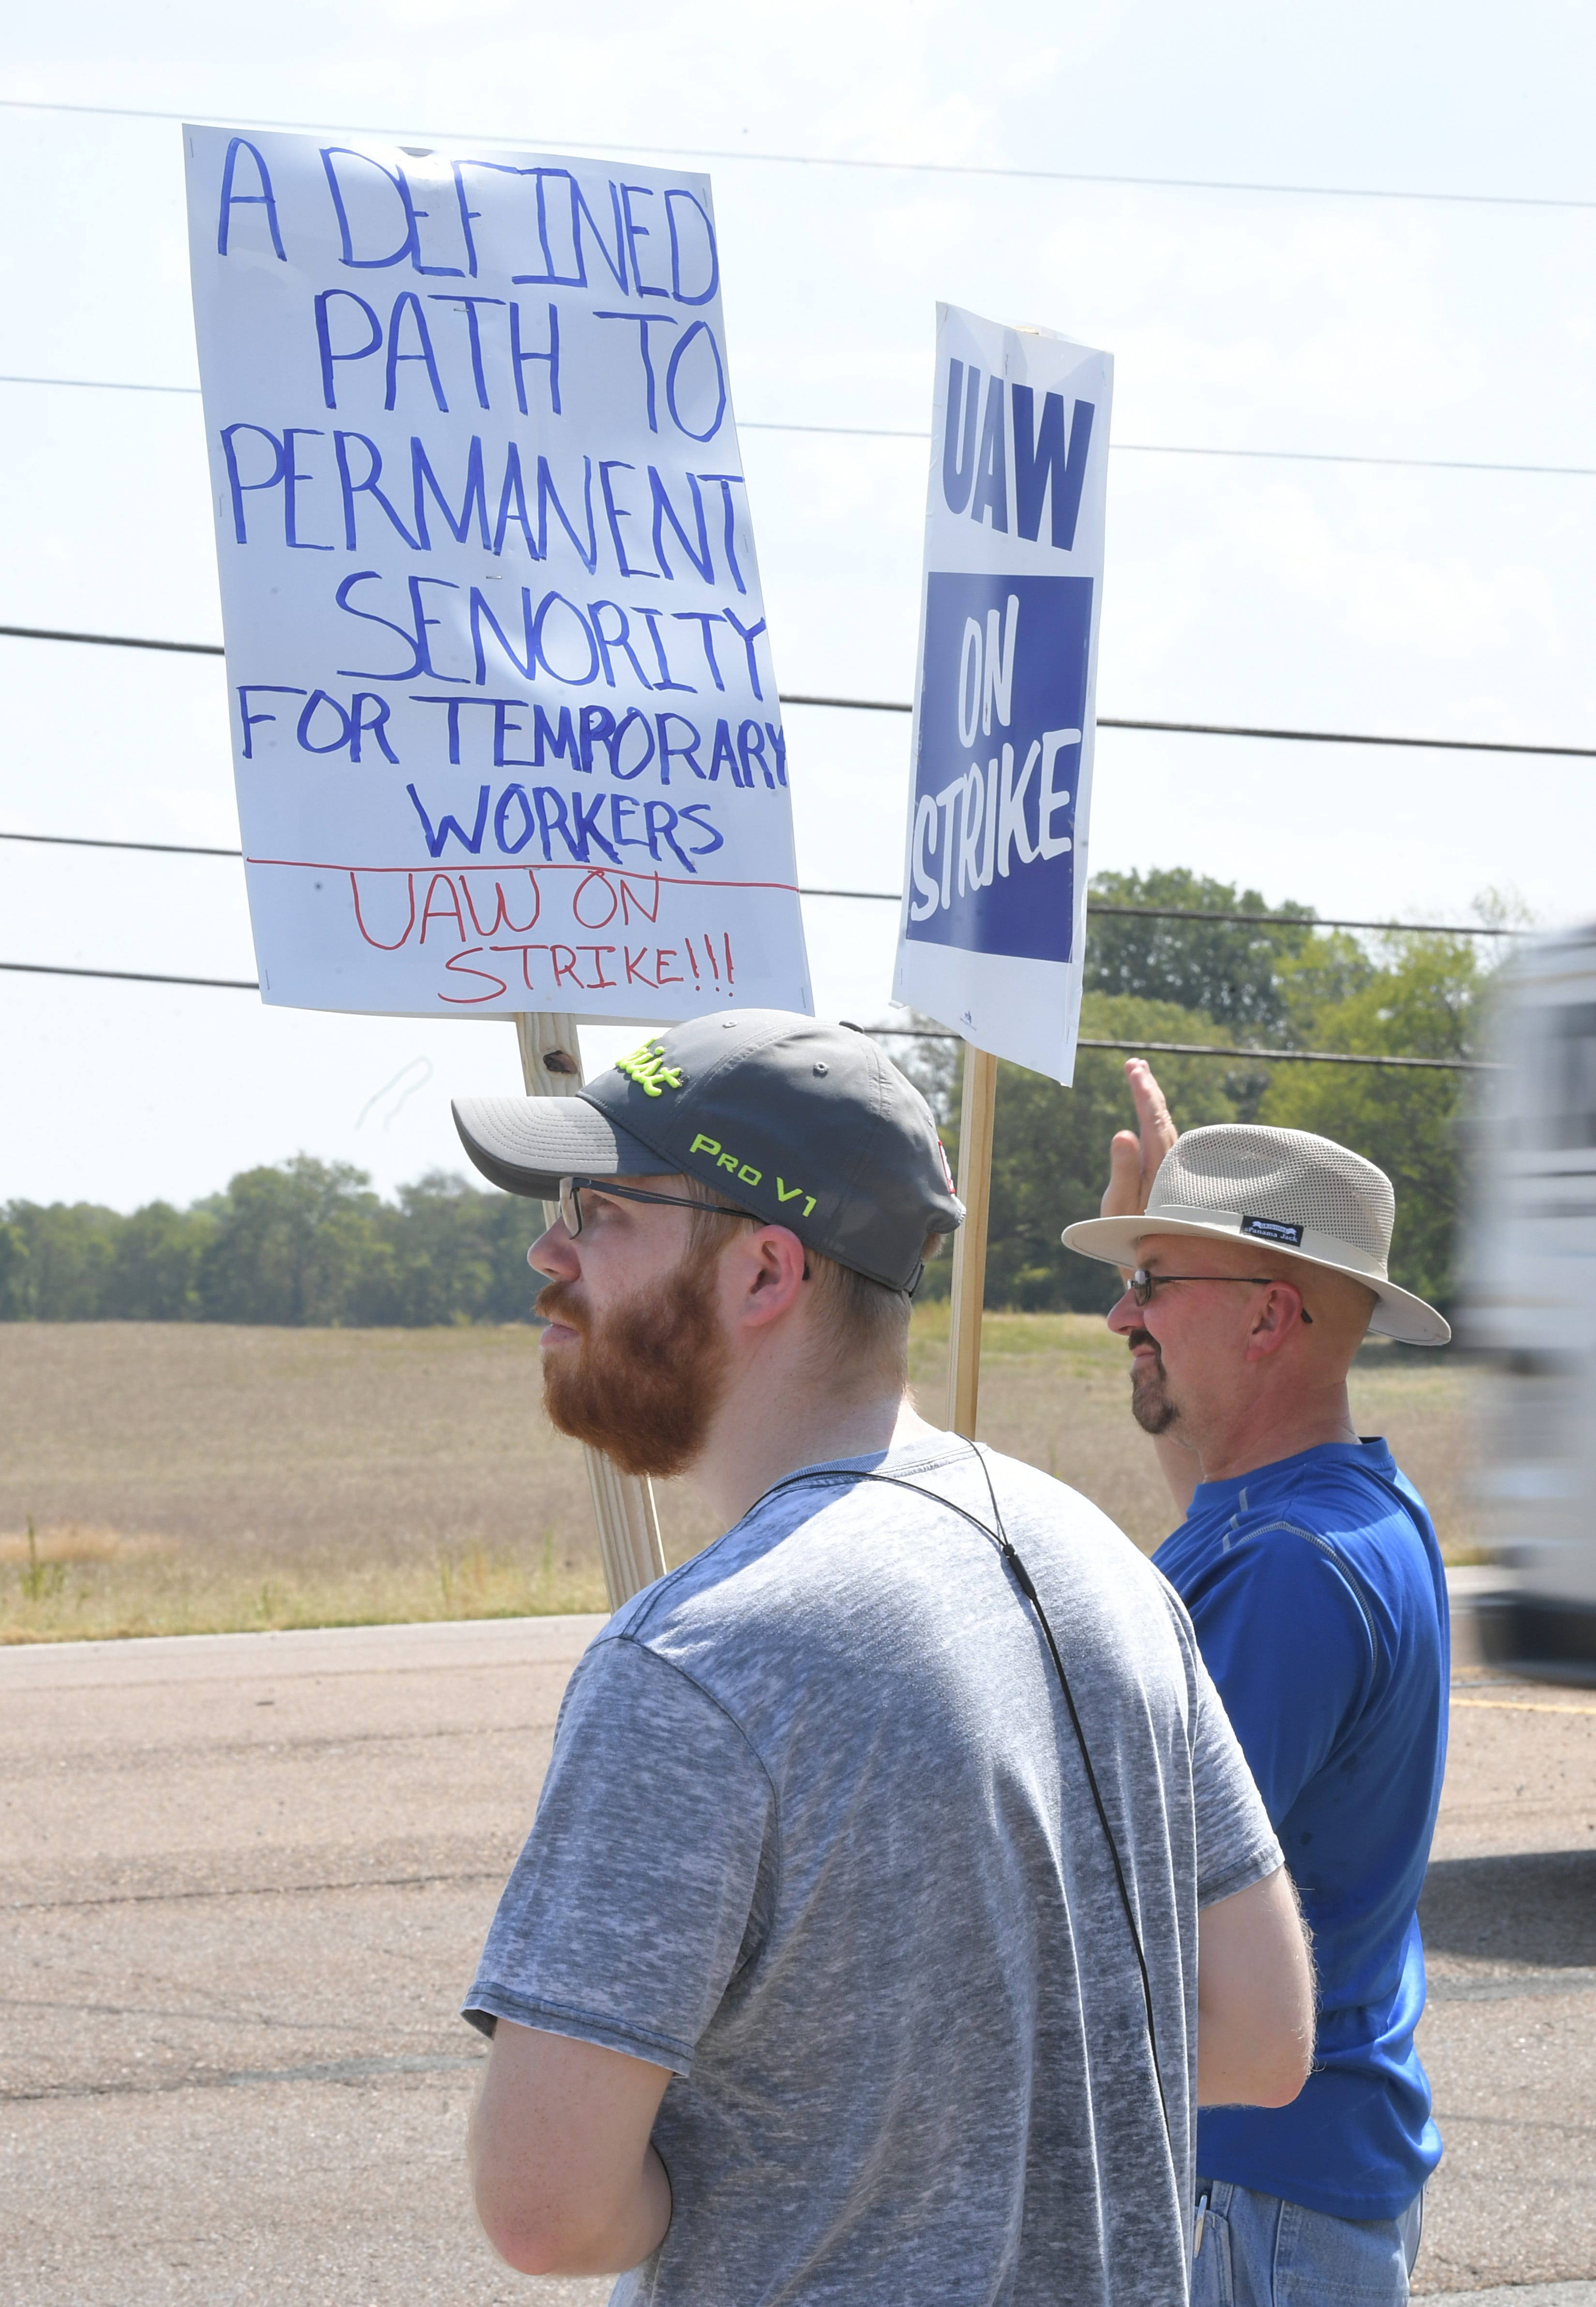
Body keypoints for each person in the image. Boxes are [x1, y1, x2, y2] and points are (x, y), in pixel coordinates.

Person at [449, 1010, 1312, 2305]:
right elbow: (1261, 2034)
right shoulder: (1104, 1568)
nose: (549, 1249)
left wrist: (796, 2158)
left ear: (763, 1273)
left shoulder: (695, 1663)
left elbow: (544, 2209)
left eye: (605, 1209)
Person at [1063, 1062, 1453, 2307]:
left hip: (1252, 2187)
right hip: (1300, 2173)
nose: (1125, 1318)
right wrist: (1171, 1233)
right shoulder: (1333, 1511)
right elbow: (1206, 1485)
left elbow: (1138, 1901)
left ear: (1270, 1317)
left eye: (1153, 1285)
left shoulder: (1289, 1569)